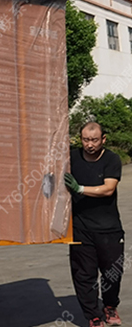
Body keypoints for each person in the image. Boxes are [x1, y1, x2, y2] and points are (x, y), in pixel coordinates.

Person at [65, 122, 124, 327]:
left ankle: (110, 306)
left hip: (109, 228)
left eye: (94, 140)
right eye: (85, 140)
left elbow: (108, 189)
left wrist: (79, 188)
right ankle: (94, 316)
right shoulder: (71, 158)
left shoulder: (111, 159)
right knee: (84, 274)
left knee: (112, 272)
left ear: (103, 139)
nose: (90, 144)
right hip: (80, 228)